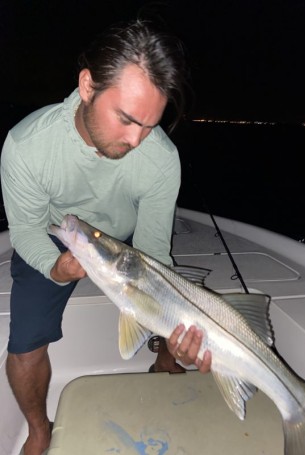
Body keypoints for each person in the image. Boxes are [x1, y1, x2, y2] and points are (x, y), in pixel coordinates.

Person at [0, 20, 211, 455]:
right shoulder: (26, 147)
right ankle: (40, 429)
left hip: (127, 239)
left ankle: (167, 359)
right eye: (127, 119)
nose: (137, 139)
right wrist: (54, 267)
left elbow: (154, 253)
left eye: (150, 125)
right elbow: (24, 229)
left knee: (172, 310)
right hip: (56, 236)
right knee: (23, 345)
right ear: (87, 85)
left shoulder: (159, 159)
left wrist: (178, 327)